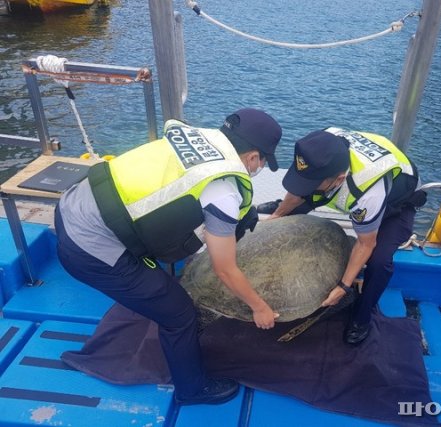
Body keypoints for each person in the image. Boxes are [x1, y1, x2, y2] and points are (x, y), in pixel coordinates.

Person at [54, 108, 282, 405]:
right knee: (179, 315)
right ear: (253, 157)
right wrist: (259, 307)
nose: (258, 167)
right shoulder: (223, 190)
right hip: (88, 249)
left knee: (165, 273)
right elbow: (225, 269)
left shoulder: (198, 138)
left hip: (72, 206)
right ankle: (192, 389)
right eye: (263, 162)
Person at [265, 127, 426, 345]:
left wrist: (343, 286)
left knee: (379, 261)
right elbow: (301, 188)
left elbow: (365, 244)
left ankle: (362, 318)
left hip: (396, 201)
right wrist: (278, 214)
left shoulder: (369, 191)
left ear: (339, 179)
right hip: (343, 180)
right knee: (293, 207)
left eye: (310, 185)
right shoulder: (320, 146)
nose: (305, 188)